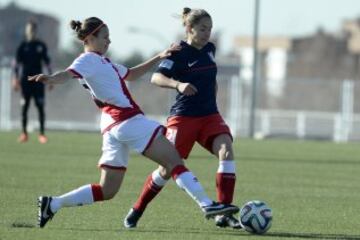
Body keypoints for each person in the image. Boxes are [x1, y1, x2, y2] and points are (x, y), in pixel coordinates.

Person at [31, 17, 239, 229]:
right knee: (173, 160)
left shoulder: (105, 62)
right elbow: (67, 74)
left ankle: (53, 203)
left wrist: (158, 56)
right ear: (89, 38)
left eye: (109, 38)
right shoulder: (87, 60)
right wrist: (50, 78)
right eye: (105, 37)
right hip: (126, 120)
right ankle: (207, 205)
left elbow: (131, 74)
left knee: (107, 190)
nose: (109, 41)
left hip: (112, 126)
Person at [124, 8, 241, 229]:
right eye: (203, 29)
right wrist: (178, 84)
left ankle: (223, 211)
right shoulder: (178, 52)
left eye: (210, 29)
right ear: (189, 28)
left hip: (209, 116)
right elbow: (157, 78)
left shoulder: (210, 49)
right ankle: (137, 208)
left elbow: (211, 78)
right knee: (167, 168)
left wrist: (212, 101)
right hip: (183, 118)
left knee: (226, 150)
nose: (207, 33)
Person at [13, 20, 53, 144]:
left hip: (38, 81)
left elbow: (48, 63)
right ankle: (24, 133)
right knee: (24, 107)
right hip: (25, 81)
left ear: (36, 31)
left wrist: (51, 79)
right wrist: (15, 79)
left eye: (33, 29)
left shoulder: (41, 45)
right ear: (26, 31)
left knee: (40, 107)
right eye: (29, 29)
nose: (31, 31)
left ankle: (42, 134)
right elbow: (16, 65)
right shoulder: (22, 46)